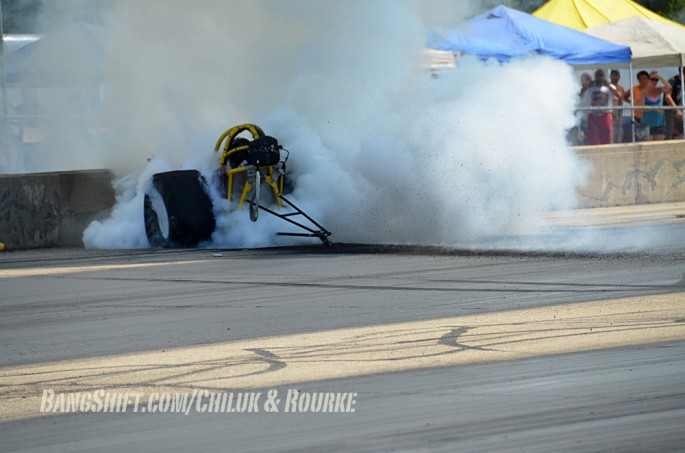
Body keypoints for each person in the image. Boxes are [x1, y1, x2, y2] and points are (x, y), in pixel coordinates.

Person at [638, 71, 674, 141]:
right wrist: (654, 108)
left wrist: (659, 77)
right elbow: (642, 107)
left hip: (659, 122)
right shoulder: (643, 92)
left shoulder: (658, 90)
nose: (654, 82)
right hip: (648, 123)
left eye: (656, 80)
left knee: (660, 143)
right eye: (652, 80)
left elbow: (669, 87)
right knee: (649, 144)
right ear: (648, 80)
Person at [586, 69, 620, 145]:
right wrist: (588, 85)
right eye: (597, 76)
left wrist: (608, 86)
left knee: (607, 136)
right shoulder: (591, 88)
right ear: (595, 77)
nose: (599, 77)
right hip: (593, 114)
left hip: (605, 114)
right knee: (593, 137)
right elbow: (583, 96)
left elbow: (618, 96)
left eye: (601, 75)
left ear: (604, 77)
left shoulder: (610, 87)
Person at [609, 69, 625, 143]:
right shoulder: (608, 87)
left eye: (616, 75)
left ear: (619, 77)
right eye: (613, 75)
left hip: (617, 113)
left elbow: (621, 101)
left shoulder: (621, 88)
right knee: (610, 131)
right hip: (609, 113)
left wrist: (620, 113)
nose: (615, 77)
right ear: (610, 76)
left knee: (618, 132)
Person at [666, 70, 683, 139]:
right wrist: (677, 110)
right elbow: (667, 97)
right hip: (671, 111)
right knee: (671, 131)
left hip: (682, 110)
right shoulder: (672, 81)